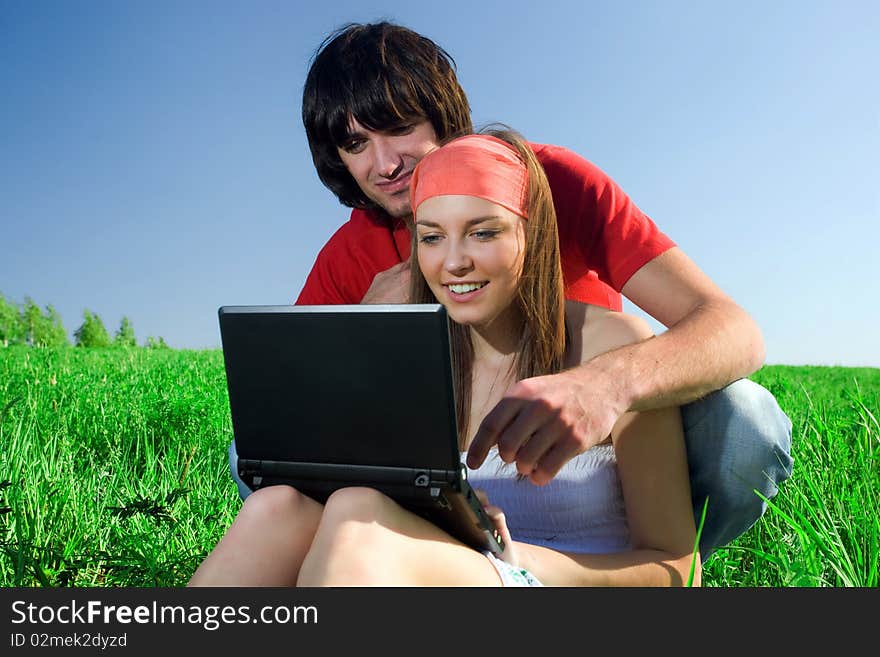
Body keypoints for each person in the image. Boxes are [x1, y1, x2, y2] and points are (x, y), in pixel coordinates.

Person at [230, 21, 793, 559]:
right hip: (458, 483)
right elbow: (293, 419)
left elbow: (733, 330)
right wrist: (367, 337)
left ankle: (638, 564)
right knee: (249, 456)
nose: (385, 163)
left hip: (599, 458)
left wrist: (605, 386)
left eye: (400, 126)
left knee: (744, 423)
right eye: (355, 143)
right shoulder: (352, 252)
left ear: (444, 116)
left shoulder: (552, 182)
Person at [192, 131, 700, 586]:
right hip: (435, 571)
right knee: (280, 508)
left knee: (357, 530)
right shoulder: (408, 356)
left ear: (532, 232)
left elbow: (677, 570)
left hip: (547, 582)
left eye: (483, 232)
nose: (453, 261)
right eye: (432, 237)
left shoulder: (613, 345)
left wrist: (513, 559)